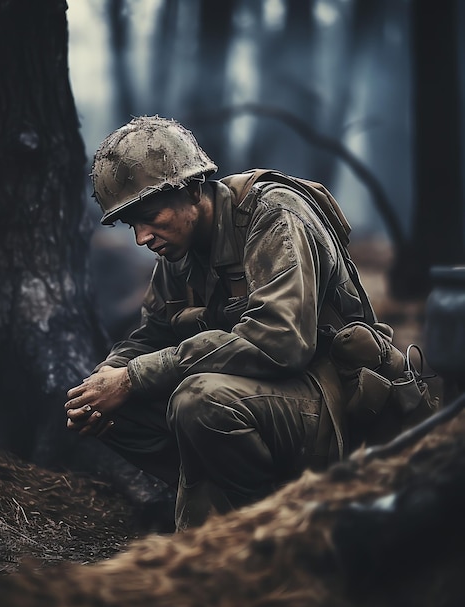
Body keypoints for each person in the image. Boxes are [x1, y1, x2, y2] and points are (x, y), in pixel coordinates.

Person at [65, 115, 377, 530]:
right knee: (114, 406)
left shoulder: (273, 217)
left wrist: (134, 377)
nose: (142, 238)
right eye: (131, 224)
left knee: (199, 401)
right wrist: (108, 378)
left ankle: (274, 526)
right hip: (266, 403)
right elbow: (154, 333)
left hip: (334, 400)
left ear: (194, 190)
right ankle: (230, 506)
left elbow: (281, 341)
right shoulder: (180, 249)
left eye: (151, 216)